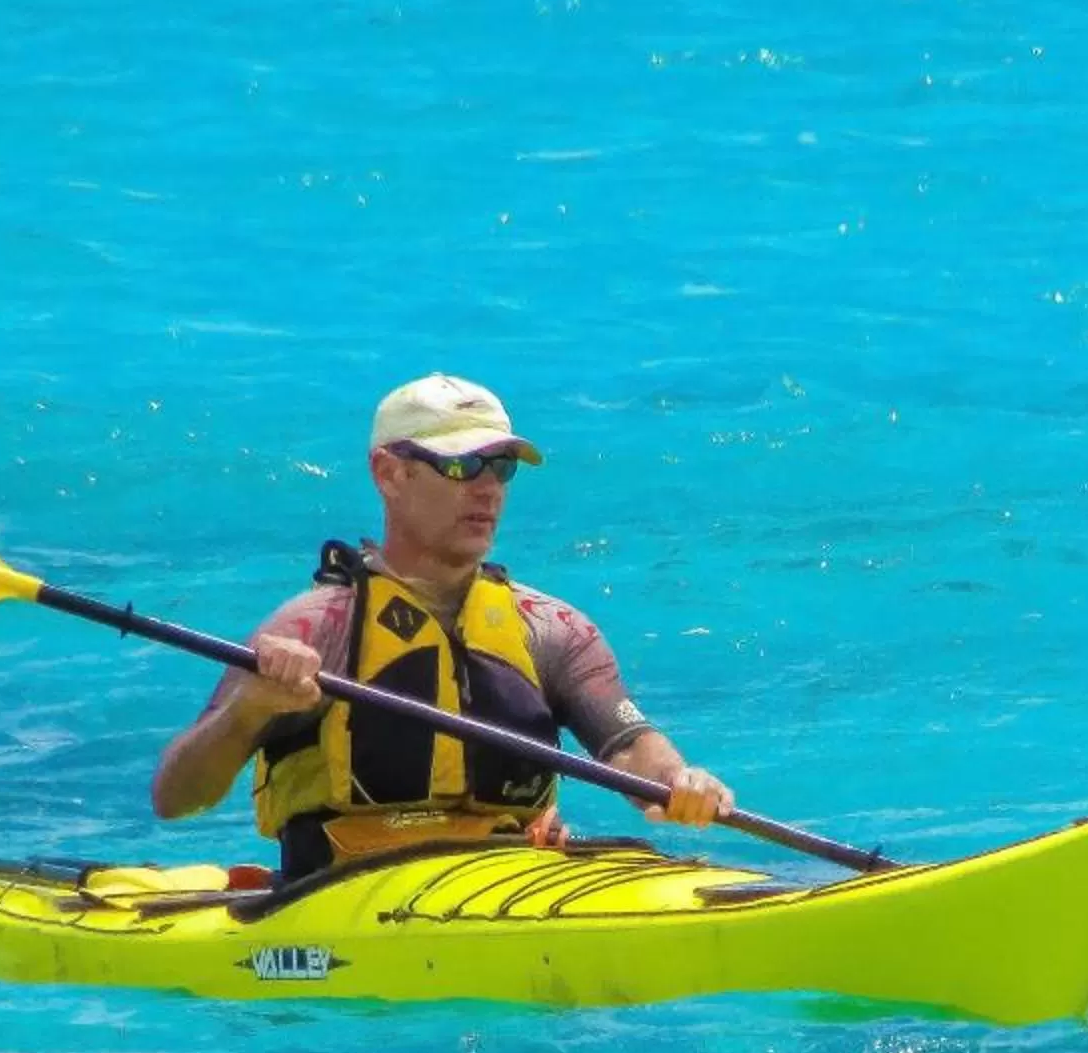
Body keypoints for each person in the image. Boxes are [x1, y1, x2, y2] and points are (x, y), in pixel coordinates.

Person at [152, 374, 735, 880]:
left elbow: (629, 746)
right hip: (343, 897)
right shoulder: (314, 630)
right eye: (460, 465)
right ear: (389, 473)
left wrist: (677, 780)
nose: (488, 488)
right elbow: (177, 797)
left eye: (501, 467)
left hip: (513, 885)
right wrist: (250, 709)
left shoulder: (551, 630)